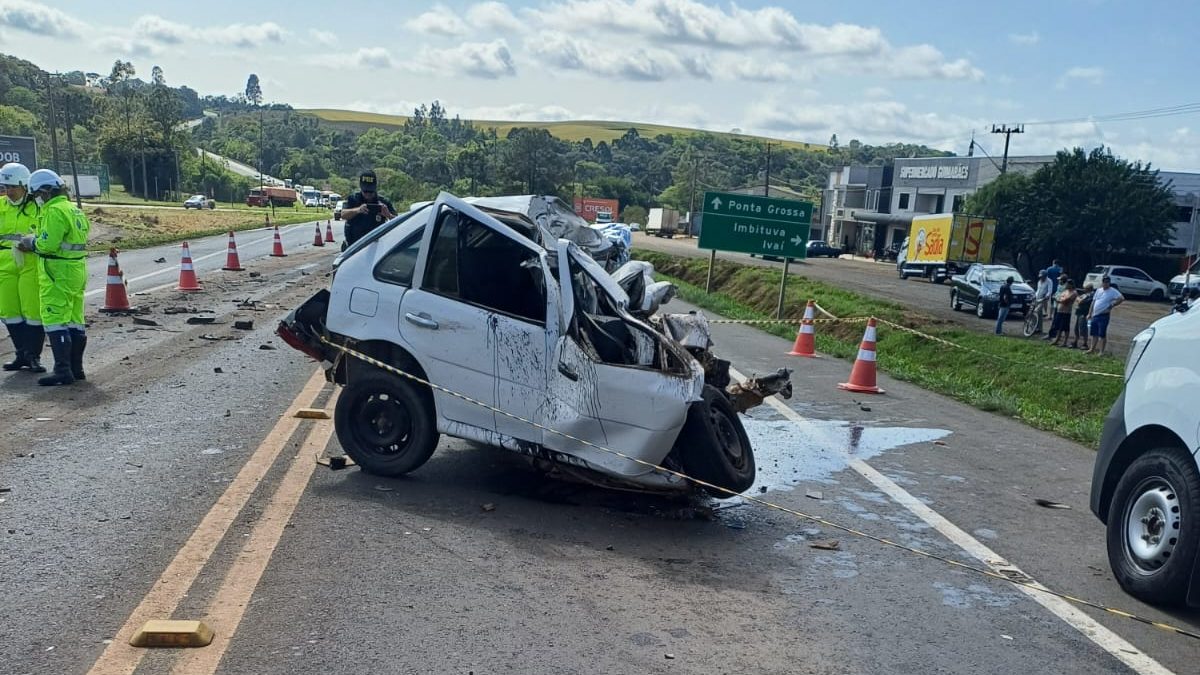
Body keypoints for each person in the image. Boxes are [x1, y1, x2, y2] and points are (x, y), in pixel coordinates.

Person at [20, 169, 89, 385]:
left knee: (54, 320)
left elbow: (48, 244)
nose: (36, 199)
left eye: (36, 194)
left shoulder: (53, 211)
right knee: (75, 320)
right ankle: (76, 369)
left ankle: (63, 370)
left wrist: (31, 242)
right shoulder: (73, 209)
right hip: (76, 268)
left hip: (57, 271)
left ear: (46, 191)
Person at [0, 162, 44, 373]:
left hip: (30, 263)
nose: (9, 191)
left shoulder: (38, 206)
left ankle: (34, 356)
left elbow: (47, 233)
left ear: (25, 186)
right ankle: (21, 354)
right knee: (10, 312)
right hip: (5, 265)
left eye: (13, 187)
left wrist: (32, 244)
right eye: (5, 187)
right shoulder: (1, 206)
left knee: (33, 312)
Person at [340, 170, 395, 248]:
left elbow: (398, 221)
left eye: (371, 191)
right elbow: (343, 215)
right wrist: (358, 210)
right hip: (354, 246)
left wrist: (388, 215)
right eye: (365, 191)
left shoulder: (383, 201)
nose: (368, 194)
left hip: (376, 247)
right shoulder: (353, 199)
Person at [1086, 275, 1124, 356]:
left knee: (1102, 334)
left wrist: (1112, 305)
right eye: (1104, 282)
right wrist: (1089, 313)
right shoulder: (1098, 290)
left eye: (1107, 282)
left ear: (1109, 283)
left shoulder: (1113, 291)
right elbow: (1093, 302)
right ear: (1102, 282)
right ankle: (1092, 349)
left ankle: (1101, 351)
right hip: (1095, 315)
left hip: (1104, 315)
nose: (1106, 283)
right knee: (1094, 333)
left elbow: (1121, 298)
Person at [1050, 280, 1078, 347]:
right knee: (1059, 326)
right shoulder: (1065, 291)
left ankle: (1065, 342)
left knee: (1065, 327)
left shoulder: (1074, 293)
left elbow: (1065, 301)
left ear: (1071, 285)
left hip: (1066, 312)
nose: (1066, 285)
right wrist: (1060, 299)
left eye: (1067, 284)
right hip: (1060, 310)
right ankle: (1057, 339)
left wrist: (1059, 299)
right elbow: (1059, 297)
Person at [1071, 283, 1094, 350]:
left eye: (1086, 288)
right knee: (1076, 328)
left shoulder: (1091, 296)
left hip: (1084, 314)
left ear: (1089, 289)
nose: (1084, 289)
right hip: (1079, 313)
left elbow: (1083, 302)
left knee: (1083, 329)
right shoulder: (1084, 294)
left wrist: (1080, 300)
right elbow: (1078, 299)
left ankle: (1085, 343)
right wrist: (1079, 300)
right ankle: (1075, 341)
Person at [1030, 269, 1051, 335]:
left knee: (1035, 312)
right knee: (1039, 315)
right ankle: (1039, 328)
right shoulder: (1039, 282)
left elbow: (1049, 291)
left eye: (1042, 276)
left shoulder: (1049, 281)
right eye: (1040, 276)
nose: (1041, 277)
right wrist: (1034, 296)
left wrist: (1046, 296)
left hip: (1043, 299)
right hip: (1037, 299)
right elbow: (1038, 290)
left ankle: (1033, 327)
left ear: (1045, 276)